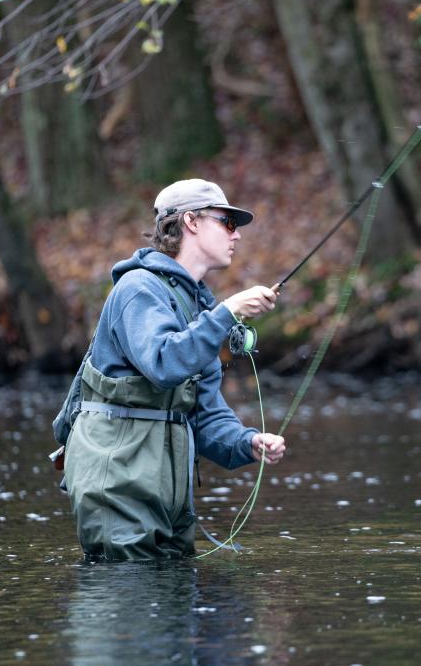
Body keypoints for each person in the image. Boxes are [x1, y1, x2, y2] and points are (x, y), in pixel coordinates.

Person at [62, 178, 286, 561]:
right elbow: (163, 362)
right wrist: (228, 312)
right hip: (117, 484)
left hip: (167, 492)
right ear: (191, 222)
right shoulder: (138, 290)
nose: (238, 236)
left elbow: (206, 413)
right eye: (228, 223)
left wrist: (247, 442)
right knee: (131, 599)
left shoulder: (197, 308)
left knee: (176, 607)